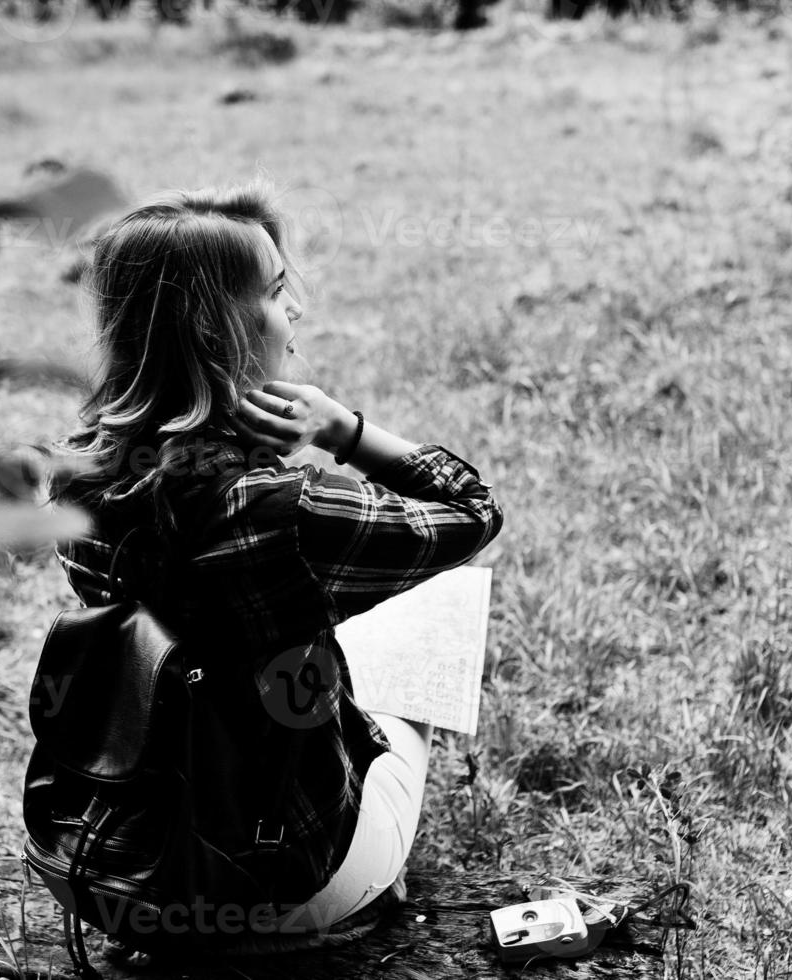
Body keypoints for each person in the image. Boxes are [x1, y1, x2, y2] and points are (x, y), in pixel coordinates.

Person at [38, 180, 504, 951]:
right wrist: (345, 430)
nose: (297, 314)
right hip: (281, 888)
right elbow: (471, 512)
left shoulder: (79, 479)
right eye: (278, 292)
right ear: (215, 326)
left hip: (120, 874)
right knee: (435, 611)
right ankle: (360, 885)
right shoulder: (284, 509)